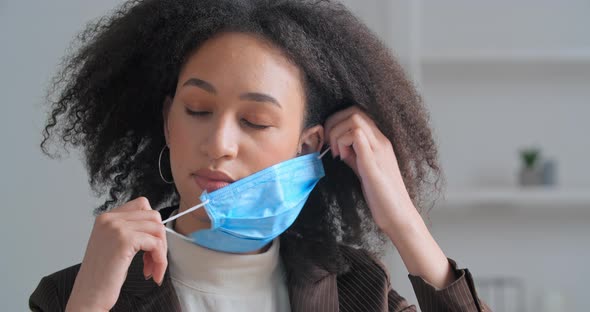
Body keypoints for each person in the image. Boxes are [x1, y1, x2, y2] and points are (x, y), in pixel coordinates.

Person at [30, 0, 491, 311]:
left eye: (254, 120)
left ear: (307, 147)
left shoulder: (360, 288)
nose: (219, 143)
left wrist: (404, 223)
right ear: (169, 120)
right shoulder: (71, 293)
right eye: (197, 110)